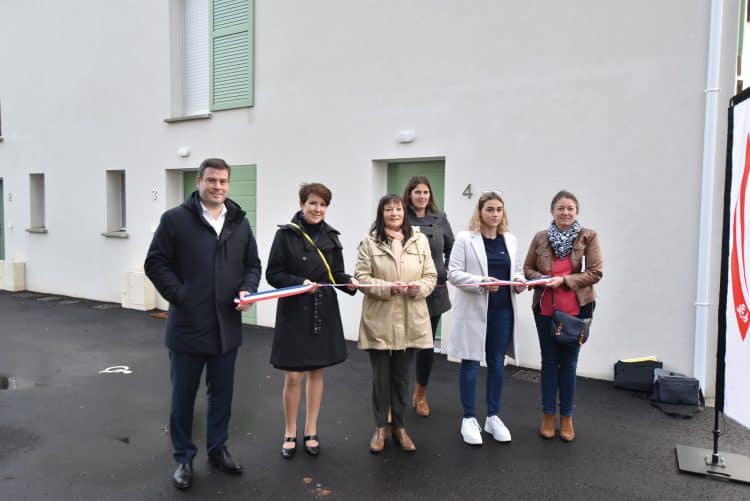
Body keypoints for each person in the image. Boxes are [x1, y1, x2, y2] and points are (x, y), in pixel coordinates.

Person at [144, 158, 261, 490]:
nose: (218, 187)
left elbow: (253, 263)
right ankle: (183, 457)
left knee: (221, 396)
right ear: (198, 181)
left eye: (223, 181)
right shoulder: (175, 220)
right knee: (183, 398)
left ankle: (218, 448)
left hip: (227, 326)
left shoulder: (238, 222)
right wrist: (181, 295)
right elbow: (155, 262)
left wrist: (247, 289)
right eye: (212, 181)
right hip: (187, 328)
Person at [266, 183, 358, 459]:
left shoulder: (332, 237)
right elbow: (273, 274)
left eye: (322, 204)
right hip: (294, 312)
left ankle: (311, 428)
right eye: (313, 203)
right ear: (302, 204)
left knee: (317, 373)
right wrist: (298, 283)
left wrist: (350, 284)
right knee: (293, 376)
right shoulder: (285, 235)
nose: (318, 209)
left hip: (323, 310)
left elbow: (335, 275)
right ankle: (290, 431)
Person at [355, 194, 437, 453]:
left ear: (405, 212)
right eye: (388, 209)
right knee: (381, 378)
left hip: (411, 317)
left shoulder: (419, 240)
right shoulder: (369, 242)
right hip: (380, 318)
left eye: (398, 209)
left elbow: (431, 275)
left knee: (402, 377)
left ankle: (400, 428)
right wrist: (389, 287)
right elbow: (361, 277)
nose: (394, 213)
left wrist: (419, 288)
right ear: (382, 214)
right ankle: (381, 428)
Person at [523, 190, 602, 442]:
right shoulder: (540, 238)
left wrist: (565, 280)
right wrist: (544, 279)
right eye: (560, 208)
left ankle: (566, 418)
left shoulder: (588, 237)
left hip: (576, 311)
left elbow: (595, 272)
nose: (565, 212)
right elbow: (527, 269)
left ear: (576, 211)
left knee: (568, 365)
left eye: (570, 208)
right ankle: (548, 416)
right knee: (548, 363)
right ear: (552, 211)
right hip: (545, 310)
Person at [447, 192, 525, 445]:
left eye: (499, 209)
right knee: (470, 364)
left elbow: (516, 270)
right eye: (489, 209)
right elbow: (454, 274)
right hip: (473, 310)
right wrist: (481, 282)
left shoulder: (510, 240)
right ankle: (469, 417)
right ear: (480, 211)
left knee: (497, 364)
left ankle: (493, 416)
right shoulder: (465, 239)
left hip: (502, 311)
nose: (494, 214)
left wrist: (519, 281)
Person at [402, 176, 454, 417]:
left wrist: (445, 271)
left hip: (434, 291)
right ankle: (396, 396)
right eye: (417, 192)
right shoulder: (398, 215)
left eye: (425, 192)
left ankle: (420, 394)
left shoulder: (440, 218)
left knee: (425, 346)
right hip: (406, 292)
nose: (422, 196)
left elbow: (452, 248)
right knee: (402, 346)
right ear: (409, 194)